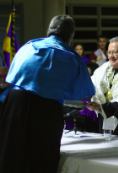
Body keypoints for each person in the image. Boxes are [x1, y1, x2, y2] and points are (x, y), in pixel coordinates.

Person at [0, 15, 95, 173]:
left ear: (48, 32)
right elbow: (85, 93)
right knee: (43, 160)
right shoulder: (73, 58)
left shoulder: (28, 47)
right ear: (70, 37)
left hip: (15, 103)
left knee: (10, 156)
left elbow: (11, 77)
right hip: (46, 108)